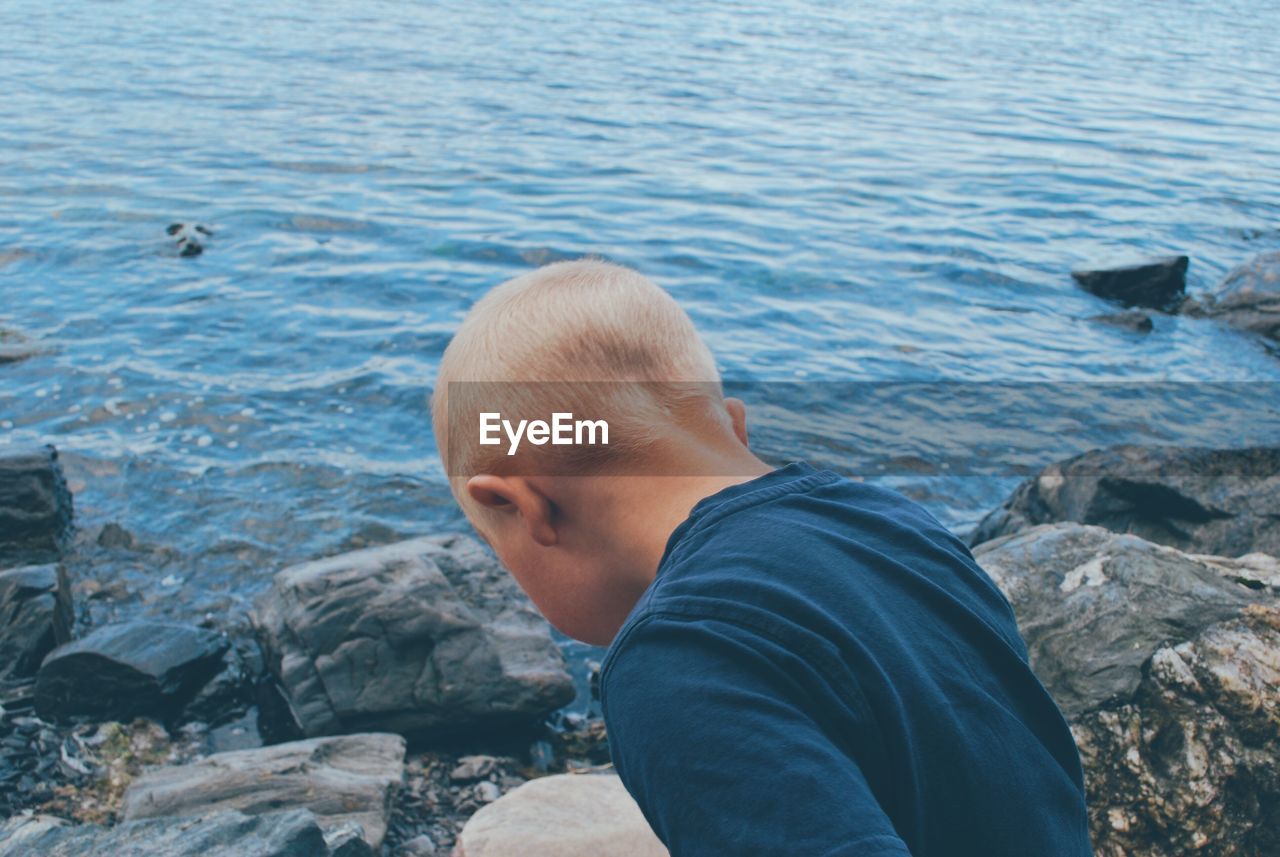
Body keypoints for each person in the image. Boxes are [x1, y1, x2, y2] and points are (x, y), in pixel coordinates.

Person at [430, 259, 1092, 856]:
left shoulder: (676, 657)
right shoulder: (899, 525)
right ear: (731, 425)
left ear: (527, 508)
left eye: (497, 549)